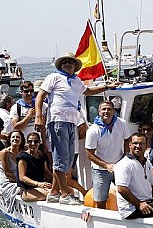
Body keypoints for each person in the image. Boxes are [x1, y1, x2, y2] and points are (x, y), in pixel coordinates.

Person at [34, 53, 120, 206]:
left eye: (70, 62)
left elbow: (87, 91)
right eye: (65, 62)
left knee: (65, 161)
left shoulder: (76, 80)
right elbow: (40, 96)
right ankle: (65, 194)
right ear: (61, 65)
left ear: (75, 66)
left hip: (71, 122)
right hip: (58, 121)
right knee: (60, 159)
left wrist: (106, 86)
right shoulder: (54, 77)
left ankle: (54, 193)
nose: (68, 64)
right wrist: (39, 117)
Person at [85, 99, 133, 209]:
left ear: (114, 111)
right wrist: (106, 166)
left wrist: (124, 157)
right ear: (99, 112)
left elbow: (128, 139)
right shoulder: (93, 130)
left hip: (119, 166)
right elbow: (89, 154)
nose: (106, 111)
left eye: (109, 109)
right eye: (104, 109)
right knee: (100, 199)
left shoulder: (122, 123)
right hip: (100, 170)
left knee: (128, 194)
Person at [115, 134, 153, 219]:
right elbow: (121, 189)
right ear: (130, 145)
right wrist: (139, 204)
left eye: (141, 144)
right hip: (132, 209)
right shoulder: (124, 164)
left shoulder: (147, 163)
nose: (138, 146)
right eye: (135, 143)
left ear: (146, 146)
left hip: (147, 203)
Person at [17, 132, 53, 202]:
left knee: (65, 190)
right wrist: (38, 184)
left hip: (40, 187)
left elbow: (46, 172)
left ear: (39, 143)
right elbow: (22, 177)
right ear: (27, 143)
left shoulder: (41, 155)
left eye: (36, 141)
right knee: (53, 194)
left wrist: (57, 181)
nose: (33, 144)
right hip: (27, 190)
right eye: (30, 141)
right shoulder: (23, 157)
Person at [0, 130, 25, 210]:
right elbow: (7, 174)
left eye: (18, 137)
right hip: (8, 181)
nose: (15, 139)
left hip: (20, 179)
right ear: (9, 140)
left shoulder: (23, 152)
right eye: (13, 137)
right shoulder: (5, 153)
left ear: (21, 140)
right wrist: (22, 183)